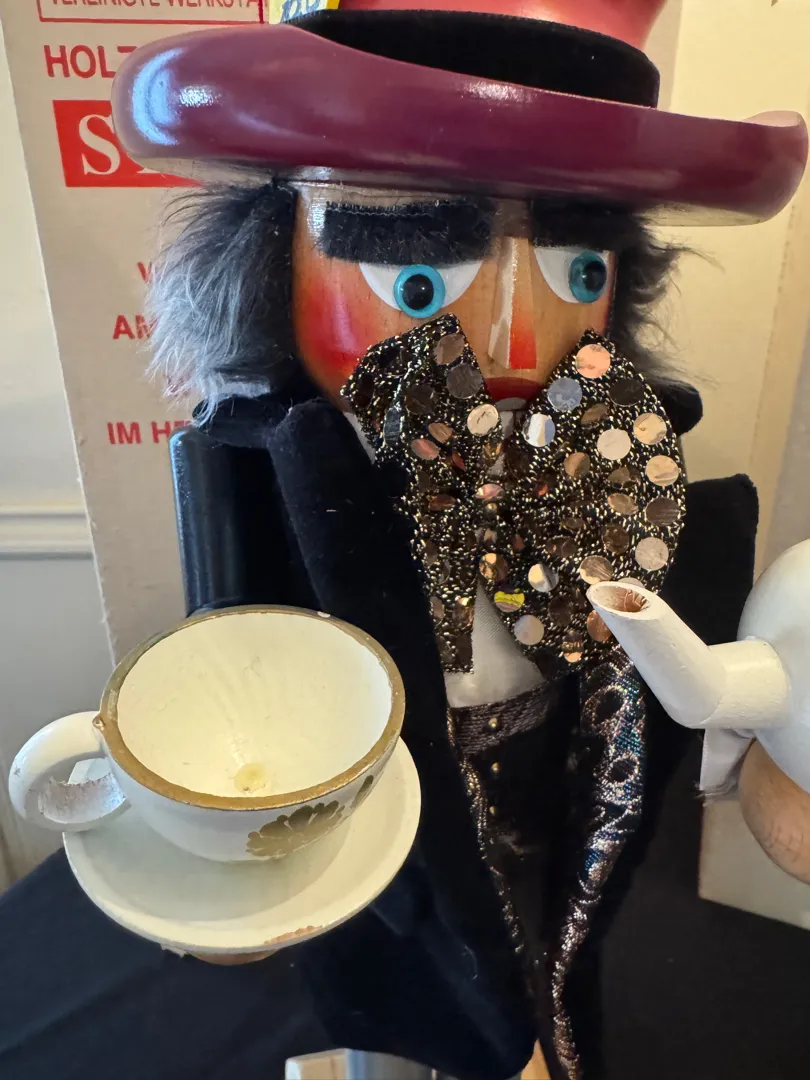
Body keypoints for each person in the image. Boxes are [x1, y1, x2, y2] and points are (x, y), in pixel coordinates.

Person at [2, 4, 809, 1080]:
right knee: (404, 993)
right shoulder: (269, 473)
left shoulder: (618, 455)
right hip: (377, 833)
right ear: (269, 270)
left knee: (552, 963)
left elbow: (680, 671)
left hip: (561, 796)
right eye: (417, 282)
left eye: (579, 271)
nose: (517, 338)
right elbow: (229, 671)